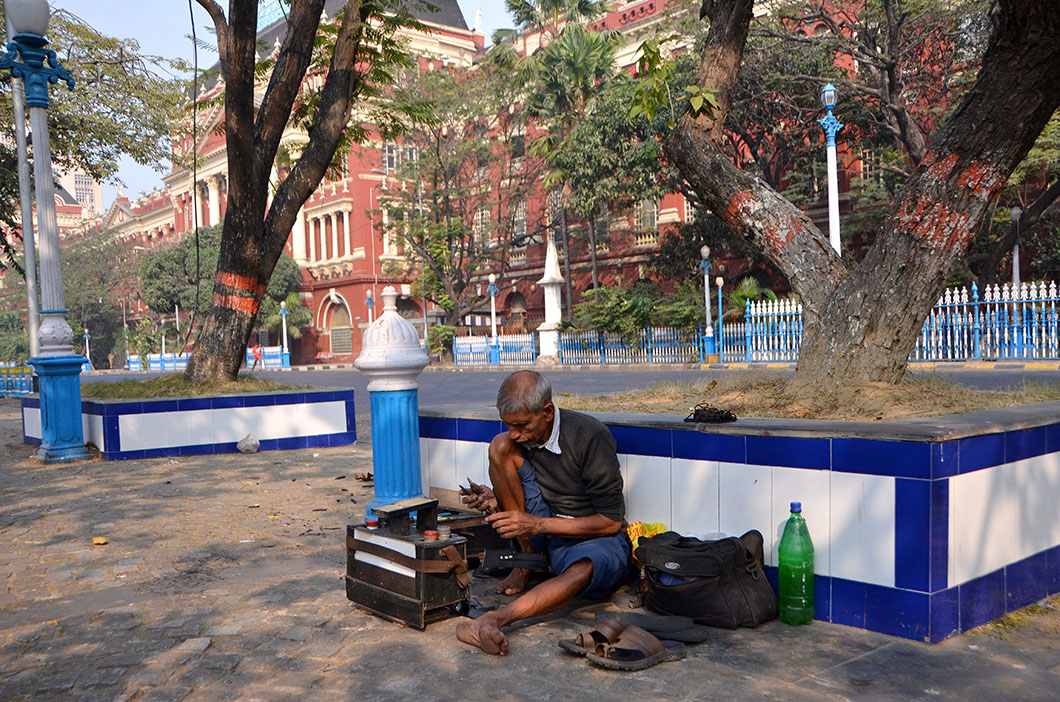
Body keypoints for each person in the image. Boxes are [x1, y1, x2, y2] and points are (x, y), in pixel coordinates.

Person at [456, 370, 631, 656]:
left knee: (585, 568)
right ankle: (527, 563)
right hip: (546, 524)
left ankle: (496, 619)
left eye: (522, 425)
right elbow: (526, 491)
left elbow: (610, 522)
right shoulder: (522, 438)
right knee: (499, 446)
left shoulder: (590, 437)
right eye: (509, 424)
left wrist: (535, 524)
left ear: (547, 412)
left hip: (591, 534)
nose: (515, 433)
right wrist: (496, 499)